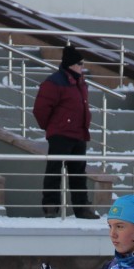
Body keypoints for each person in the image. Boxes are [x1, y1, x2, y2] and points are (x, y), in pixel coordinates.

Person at [32, 44, 99, 220]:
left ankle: (82, 207)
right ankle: (51, 206)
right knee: (54, 171)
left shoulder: (80, 81)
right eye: (80, 63)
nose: (82, 67)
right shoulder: (54, 82)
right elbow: (41, 109)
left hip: (79, 134)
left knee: (78, 173)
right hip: (61, 135)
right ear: (71, 64)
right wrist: (53, 127)